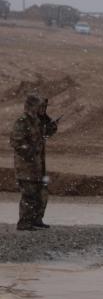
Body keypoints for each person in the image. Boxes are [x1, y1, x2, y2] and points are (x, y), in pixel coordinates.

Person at [9, 94, 57, 230]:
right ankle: (24, 222)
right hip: (26, 166)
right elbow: (16, 142)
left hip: (38, 166)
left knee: (42, 194)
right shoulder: (23, 121)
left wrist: (46, 117)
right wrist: (29, 150)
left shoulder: (38, 121)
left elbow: (51, 130)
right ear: (32, 106)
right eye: (40, 106)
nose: (41, 109)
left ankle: (36, 219)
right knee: (29, 194)